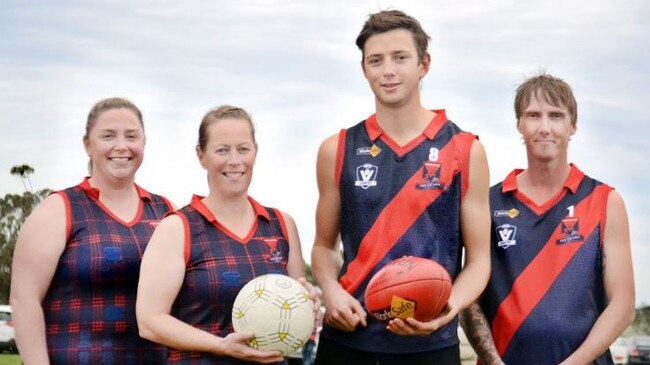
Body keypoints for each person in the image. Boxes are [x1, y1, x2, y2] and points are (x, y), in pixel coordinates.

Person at [311, 9, 491, 365]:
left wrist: (447, 306)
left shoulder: (465, 150)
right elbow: (323, 246)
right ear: (364, 69)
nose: (388, 70)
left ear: (424, 64)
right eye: (375, 60)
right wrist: (331, 291)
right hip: (348, 341)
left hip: (430, 344)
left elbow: (479, 260)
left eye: (400, 58)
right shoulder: (337, 148)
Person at [459, 73, 636, 365]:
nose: (544, 127)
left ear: (573, 125)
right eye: (533, 115)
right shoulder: (488, 203)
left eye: (556, 116)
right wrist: (493, 361)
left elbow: (623, 306)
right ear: (519, 124)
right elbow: (470, 297)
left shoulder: (605, 201)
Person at [136, 105, 319, 364]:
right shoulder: (177, 228)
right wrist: (222, 346)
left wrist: (307, 306)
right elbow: (150, 321)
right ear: (202, 156)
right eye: (222, 150)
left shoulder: (281, 224)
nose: (234, 161)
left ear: (255, 151)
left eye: (243, 149)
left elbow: (296, 314)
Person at [10, 97, 174, 364]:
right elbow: (24, 299)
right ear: (88, 144)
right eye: (108, 136)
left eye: (131, 136)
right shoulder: (58, 209)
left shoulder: (166, 210)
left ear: (144, 142)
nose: (121, 146)